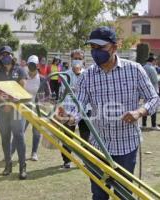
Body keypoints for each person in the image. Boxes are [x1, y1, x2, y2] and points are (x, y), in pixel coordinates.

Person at [57, 27, 159, 200]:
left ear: (114, 47)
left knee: (124, 194)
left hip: (127, 146)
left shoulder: (134, 70)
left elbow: (154, 99)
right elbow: (79, 104)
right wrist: (70, 117)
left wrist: (139, 112)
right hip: (98, 147)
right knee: (98, 194)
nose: (96, 53)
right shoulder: (87, 76)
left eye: (100, 48)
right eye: (93, 48)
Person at [0, 45, 28, 180]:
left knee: (19, 136)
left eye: (7, 54)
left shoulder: (20, 71)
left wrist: (11, 104)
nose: (5, 57)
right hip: (1, 110)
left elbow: (21, 89)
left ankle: (22, 167)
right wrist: (4, 103)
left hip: (17, 109)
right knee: (5, 138)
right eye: (2, 55)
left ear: (12, 56)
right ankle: (8, 165)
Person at [11, 55, 51, 161]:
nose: (32, 66)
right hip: (24, 107)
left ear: (37, 65)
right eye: (30, 64)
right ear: (27, 65)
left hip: (37, 108)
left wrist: (42, 101)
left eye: (34, 64)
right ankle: (10, 152)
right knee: (19, 131)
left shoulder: (42, 79)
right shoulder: (23, 76)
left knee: (36, 131)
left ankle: (34, 153)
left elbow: (48, 94)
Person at [142, 55, 160, 130]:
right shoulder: (152, 68)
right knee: (154, 107)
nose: (156, 62)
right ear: (152, 61)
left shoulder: (143, 67)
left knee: (145, 107)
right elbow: (155, 80)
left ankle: (144, 124)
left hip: (144, 90)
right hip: (153, 90)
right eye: (155, 60)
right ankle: (153, 125)